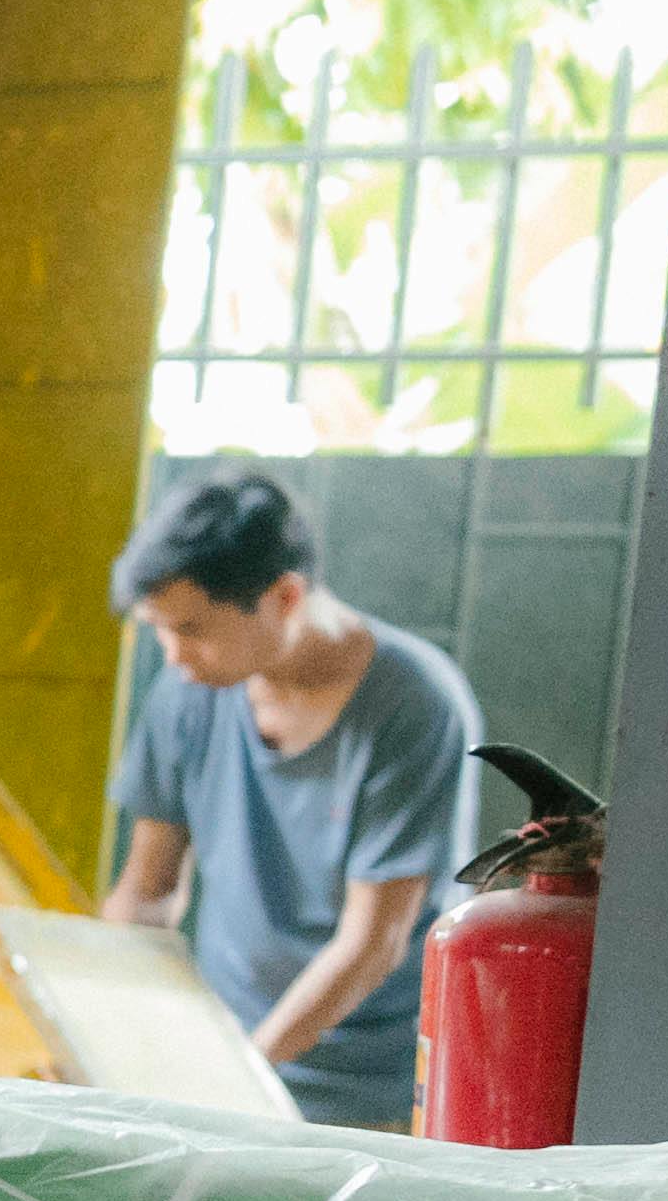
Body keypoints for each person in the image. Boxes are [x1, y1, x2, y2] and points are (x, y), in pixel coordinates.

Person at [96, 466, 478, 1129]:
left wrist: (237, 1083)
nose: (174, 652)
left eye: (191, 628)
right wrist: (110, 1038)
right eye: (159, 629)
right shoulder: (188, 691)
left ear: (284, 597)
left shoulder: (415, 705)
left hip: (374, 1088)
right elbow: (146, 890)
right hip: (232, 1051)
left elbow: (372, 944)